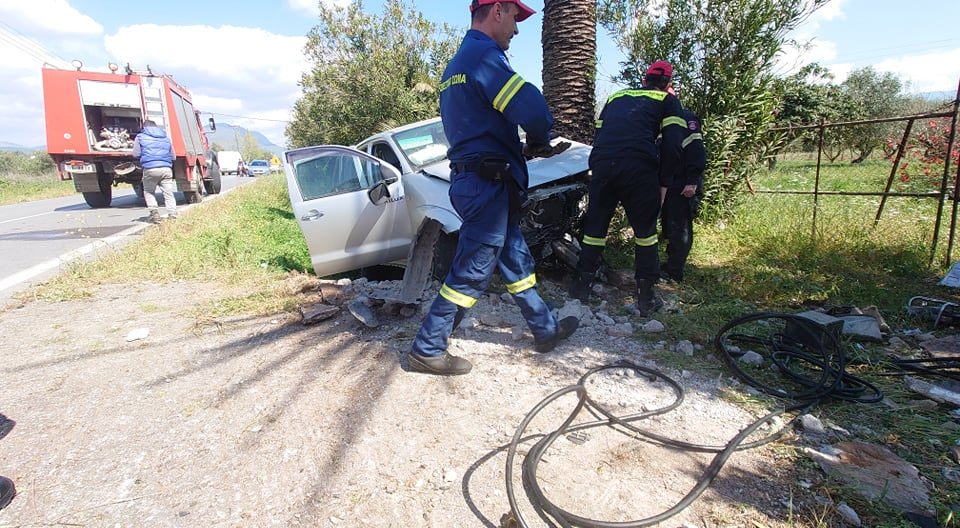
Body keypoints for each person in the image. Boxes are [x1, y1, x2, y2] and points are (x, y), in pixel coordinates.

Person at [407, 0, 579, 376]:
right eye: (515, 19)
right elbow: (531, 108)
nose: (516, 30)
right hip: (487, 183)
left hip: (482, 181)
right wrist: (540, 137)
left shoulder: (457, 66)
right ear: (497, 10)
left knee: (514, 258)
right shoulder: (484, 58)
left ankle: (544, 329)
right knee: (473, 267)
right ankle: (428, 347)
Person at [569, 60, 685, 316]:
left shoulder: (617, 96)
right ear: (668, 85)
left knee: (595, 227)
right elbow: (674, 146)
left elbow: (599, 135)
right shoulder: (666, 101)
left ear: (644, 80)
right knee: (645, 233)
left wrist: (597, 167)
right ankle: (646, 298)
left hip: (603, 165)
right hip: (638, 169)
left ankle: (582, 287)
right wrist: (664, 183)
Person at [659, 101, 705, 282]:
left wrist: (692, 181)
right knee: (669, 225)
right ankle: (670, 264)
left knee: (680, 226)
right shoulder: (659, 119)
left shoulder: (686, 118)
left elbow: (696, 150)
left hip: (683, 182)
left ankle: (675, 271)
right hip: (668, 182)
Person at [132, 120, 176, 223]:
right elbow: (173, 156)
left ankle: (154, 214)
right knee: (168, 192)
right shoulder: (166, 138)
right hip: (166, 168)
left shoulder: (140, 137)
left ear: (144, 128)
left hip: (150, 168)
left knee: (148, 191)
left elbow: (136, 153)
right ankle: (173, 214)